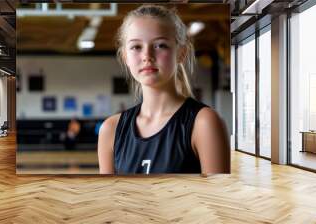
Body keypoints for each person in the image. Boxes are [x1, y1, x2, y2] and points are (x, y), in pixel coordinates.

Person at [97, 4, 230, 175]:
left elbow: (217, 200)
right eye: (136, 47)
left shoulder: (204, 123)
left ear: (181, 53)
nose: (147, 56)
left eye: (160, 45)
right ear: (125, 57)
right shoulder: (111, 129)